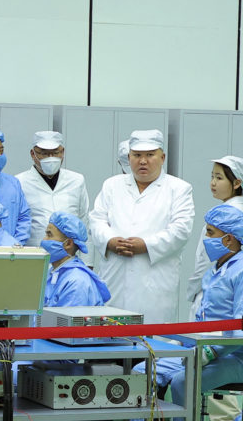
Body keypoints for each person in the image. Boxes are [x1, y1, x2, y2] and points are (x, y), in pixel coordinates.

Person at [132, 204, 243, 421]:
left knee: (182, 381)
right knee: (141, 372)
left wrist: (210, 351)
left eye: (210, 232)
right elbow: (204, 320)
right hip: (200, 349)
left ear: (229, 239)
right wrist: (181, 340)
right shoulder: (216, 271)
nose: (206, 238)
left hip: (236, 358)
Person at [88, 129, 195, 324]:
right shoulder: (112, 185)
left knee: (152, 336)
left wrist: (145, 245)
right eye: (137, 155)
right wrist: (110, 241)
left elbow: (180, 230)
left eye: (150, 155)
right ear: (129, 157)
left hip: (155, 283)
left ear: (162, 158)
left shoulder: (179, 189)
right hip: (115, 277)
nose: (143, 161)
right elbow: (96, 220)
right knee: (110, 334)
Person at [186, 156, 243, 421]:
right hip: (210, 292)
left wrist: (194, 289)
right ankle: (222, 420)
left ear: (236, 183)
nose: (213, 183)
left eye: (219, 178)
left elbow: (207, 261)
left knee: (211, 358)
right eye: (212, 176)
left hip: (214, 294)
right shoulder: (226, 211)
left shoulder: (231, 214)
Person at [16, 131, 89, 247]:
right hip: (34, 251)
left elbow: (84, 220)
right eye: (44, 153)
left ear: (63, 152)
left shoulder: (76, 180)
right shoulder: (19, 182)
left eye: (55, 153)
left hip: (68, 253)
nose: (50, 158)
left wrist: (87, 257)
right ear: (33, 154)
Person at [41, 212, 110, 308]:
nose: (44, 240)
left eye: (49, 234)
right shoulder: (54, 272)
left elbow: (67, 317)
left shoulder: (76, 281)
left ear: (68, 243)